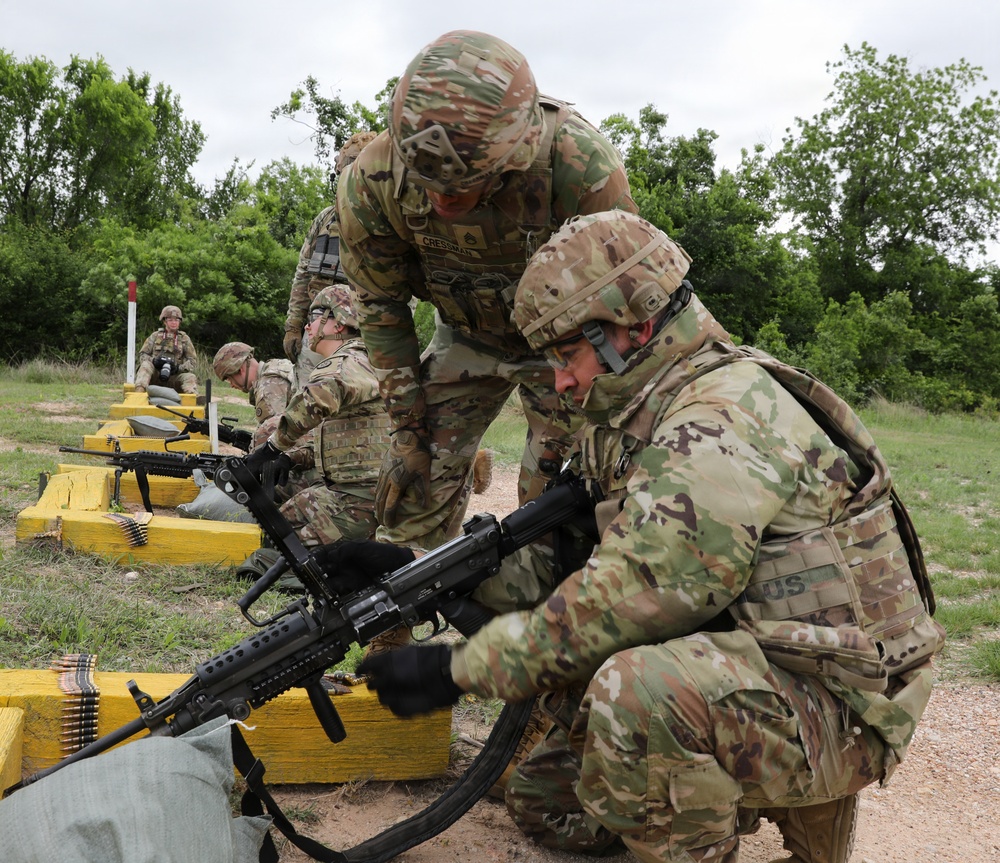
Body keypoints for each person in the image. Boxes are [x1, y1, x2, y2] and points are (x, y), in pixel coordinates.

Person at [347, 211, 947, 862]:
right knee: (547, 798)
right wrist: (419, 568)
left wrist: (458, 669)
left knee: (636, 694)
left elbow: (632, 594)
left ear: (630, 326)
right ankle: (725, 791)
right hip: (763, 658)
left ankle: (777, 802)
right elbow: (567, 567)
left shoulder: (719, 416)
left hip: (842, 705)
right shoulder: (637, 415)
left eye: (568, 353)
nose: (561, 381)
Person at [337, 29, 638, 552]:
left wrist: (592, 412)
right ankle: (398, 626)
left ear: (516, 155)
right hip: (465, 336)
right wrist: (409, 430)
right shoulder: (373, 181)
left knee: (557, 498)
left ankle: (543, 615)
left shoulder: (578, 167)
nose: (442, 204)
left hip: (565, 346)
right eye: (427, 185)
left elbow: (622, 309)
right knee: (415, 480)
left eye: (463, 186)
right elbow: (381, 307)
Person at [245, 284, 390, 549]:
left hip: (360, 501)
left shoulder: (348, 362)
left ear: (337, 324)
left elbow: (318, 397)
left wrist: (270, 449)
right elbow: (344, 436)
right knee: (273, 529)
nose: (307, 327)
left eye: (313, 318)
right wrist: (289, 458)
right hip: (358, 493)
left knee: (279, 549)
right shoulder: (365, 359)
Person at [284, 131, 379, 380]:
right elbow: (303, 275)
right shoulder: (325, 219)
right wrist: (293, 327)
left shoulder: (390, 221)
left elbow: (405, 288)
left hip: (366, 334)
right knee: (307, 398)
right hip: (319, 330)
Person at [212, 342, 300, 449]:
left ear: (240, 370)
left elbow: (273, 436)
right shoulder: (275, 366)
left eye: (229, 378)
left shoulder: (268, 386)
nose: (231, 385)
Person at [134, 305, 198, 395]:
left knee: (190, 377)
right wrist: (154, 361)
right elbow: (142, 355)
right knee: (145, 365)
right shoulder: (155, 336)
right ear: (164, 321)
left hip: (174, 377)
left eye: (176, 320)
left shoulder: (184, 339)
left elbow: (193, 361)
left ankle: (190, 400)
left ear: (180, 322)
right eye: (170, 320)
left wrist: (178, 368)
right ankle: (138, 394)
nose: (174, 323)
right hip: (155, 375)